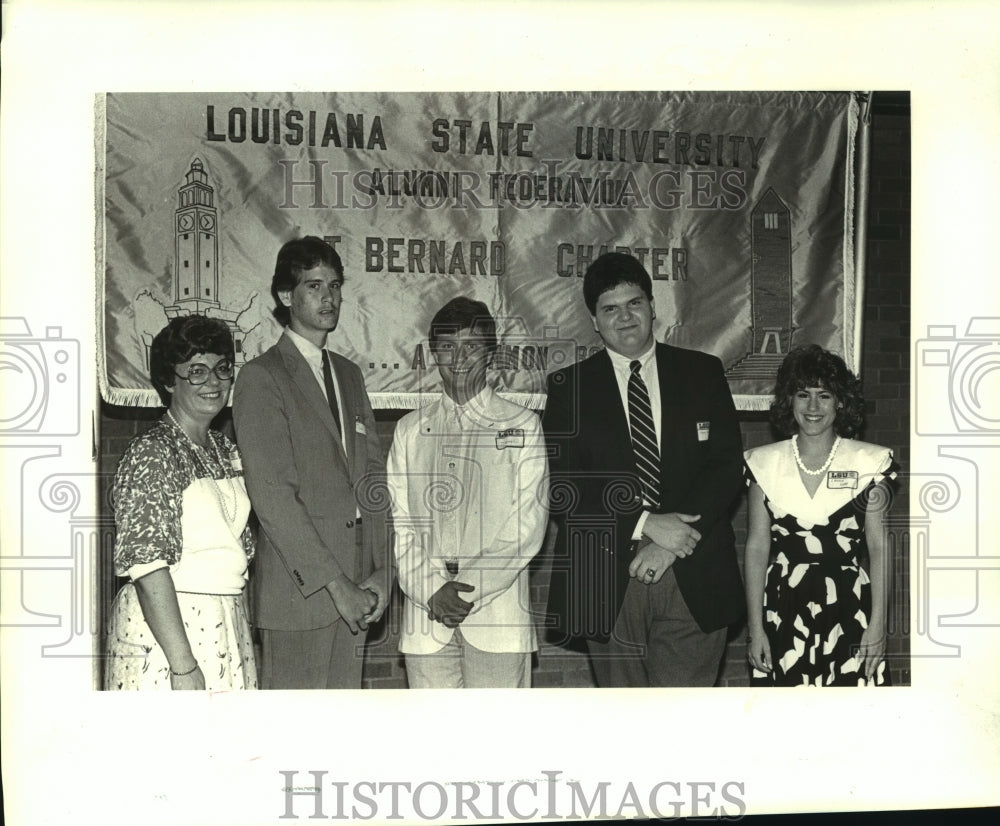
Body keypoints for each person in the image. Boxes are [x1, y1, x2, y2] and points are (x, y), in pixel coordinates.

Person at [543, 252, 745, 687]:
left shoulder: (702, 373)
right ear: (594, 321)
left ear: (654, 307)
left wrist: (673, 543)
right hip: (607, 578)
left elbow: (726, 466)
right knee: (625, 726)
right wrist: (646, 523)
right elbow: (563, 486)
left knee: (684, 726)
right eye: (609, 308)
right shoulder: (568, 389)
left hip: (693, 571)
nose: (625, 316)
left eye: (634, 303)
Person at [232, 236, 389, 689]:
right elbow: (272, 497)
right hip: (303, 593)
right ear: (286, 296)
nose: (329, 298)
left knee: (341, 734)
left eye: (335, 285)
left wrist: (380, 572)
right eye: (314, 286)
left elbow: (372, 480)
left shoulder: (349, 374)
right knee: (294, 735)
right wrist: (336, 585)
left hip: (359, 587)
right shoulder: (262, 377)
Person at [386, 298, 549, 688]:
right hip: (427, 615)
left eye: (471, 346)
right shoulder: (410, 430)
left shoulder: (523, 425)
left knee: (497, 741)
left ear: (490, 354)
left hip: (499, 612)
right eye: (447, 347)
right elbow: (400, 523)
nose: (458, 358)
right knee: (433, 742)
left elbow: (527, 525)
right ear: (433, 355)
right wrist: (432, 590)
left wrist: (465, 591)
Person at [105, 315, 256, 690]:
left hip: (225, 619)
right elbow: (146, 565)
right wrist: (183, 666)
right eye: (197, 371)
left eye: (222, 369)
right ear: (169, 381)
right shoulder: (153, 452)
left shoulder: (224, 448)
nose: (215, 382)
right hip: (171, 634)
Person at [744, 344, 897, 686]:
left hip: (850, 606)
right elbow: (756, 549)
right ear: (789, 401)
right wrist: (756, 630)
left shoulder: (869, 464)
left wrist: (878, 626)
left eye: (824, 395)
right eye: (803, 394)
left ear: (840, 402)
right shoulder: (762, 463)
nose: (813, 407)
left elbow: (879, 547)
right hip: (782, 608)